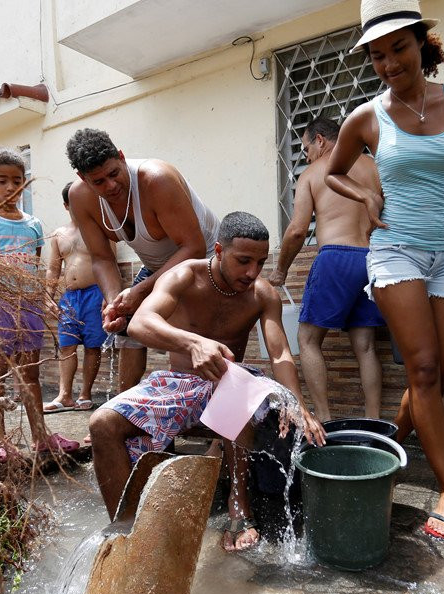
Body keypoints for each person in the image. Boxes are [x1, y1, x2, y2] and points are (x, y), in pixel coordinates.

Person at [325, 0, 444, 540]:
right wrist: (364, 194)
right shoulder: (367, 117)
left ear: (422, 42)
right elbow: (332, 173)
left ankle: (390, 439)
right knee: (423, 370)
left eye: (398, 48)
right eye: (377, 56)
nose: (389, 64)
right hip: (394, 251)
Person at [89, 212, 325, 552]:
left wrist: (299, 405)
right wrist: (192, 343)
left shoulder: (262, 294)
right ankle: (128, 530)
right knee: (103, 423)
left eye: (260, 262)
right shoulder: (184, 275)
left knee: (235, 380)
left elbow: (280, 354)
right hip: (178, 384)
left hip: (231, 384)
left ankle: (239, 508)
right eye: (243, 261)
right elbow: (141, 323)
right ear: (218, 249)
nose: (252, 272)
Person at [64, 128, 218, 393]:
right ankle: (124, 412)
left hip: (203, 261)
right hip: (159, 267)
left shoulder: (156, 179)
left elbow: (193, 247)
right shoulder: (80, 197)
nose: (111, 186)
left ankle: (212, 416)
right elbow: (101, 258)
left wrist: (140, 291)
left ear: (122, 157)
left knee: (192, 334)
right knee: (129, 329)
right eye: (99, 181)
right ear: (83, 178)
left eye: (114, 173)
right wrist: (115, 303)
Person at [0, 148, 79, 460]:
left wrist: (42, 301)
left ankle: (41, 436)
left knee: (30, 376)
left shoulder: (33, 224)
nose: (11, 188)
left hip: (27, 309)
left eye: (18, 181)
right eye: (2, 181)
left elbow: (33, 268)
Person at [269, 115, 385, 422]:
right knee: (366, 345)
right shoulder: (374, 168)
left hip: (335, 256)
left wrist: (279, 271)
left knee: (307, 339)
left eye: (306, 148)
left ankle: (324, 418)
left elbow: (296, 231)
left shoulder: (314, 172)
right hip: (371, 259)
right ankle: (373, 422)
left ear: (320, 140)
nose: (306, 156)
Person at [44, 182, 115, 413]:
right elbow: (53, 269)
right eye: (74, 202)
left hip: (95, 294)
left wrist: (109, 296)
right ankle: (64, 395)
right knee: (67, 346)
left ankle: (85, 395)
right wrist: (48, 297)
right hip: (70, 298)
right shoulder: (58, 234)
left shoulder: (102, 229)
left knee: (93, 346)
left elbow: (110, 263)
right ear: (66, 205)